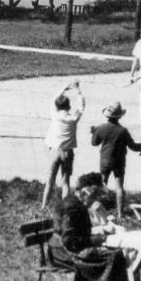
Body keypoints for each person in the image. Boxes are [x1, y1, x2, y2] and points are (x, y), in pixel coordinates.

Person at [50, 172, 134, 281]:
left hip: (70, 246)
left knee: (115, 254)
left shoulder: (77, 203)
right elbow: (70, 241)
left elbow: (79, 234)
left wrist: (99, 237)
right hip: (64, 251)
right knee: (113, 256)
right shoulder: (71, 206)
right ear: (85, 192)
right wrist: (100, 239)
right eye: (94, 196)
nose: (94, 200)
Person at [90, 102, 141, 217]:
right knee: (119, 188)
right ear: (120, 116)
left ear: (107, 116)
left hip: (104, 161)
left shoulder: (101, 128)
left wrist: (93, 133)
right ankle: (120, 214)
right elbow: (133, 147)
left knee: (102, 185)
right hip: (119, 161)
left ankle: (97, 212)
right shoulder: (123, 131)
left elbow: (94, 143)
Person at [40, 79, 85, 211]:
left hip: (55, 151)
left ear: (57, 107)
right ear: (69, 107)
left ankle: (44, 207)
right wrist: (77, 90)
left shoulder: (54, 115)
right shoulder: (73, 119)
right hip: (68, 152)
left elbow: (53, 99)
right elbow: (81, 106)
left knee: (50, 180)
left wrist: (64, 87)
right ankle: (65, 209)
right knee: (65, 181)